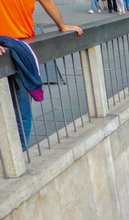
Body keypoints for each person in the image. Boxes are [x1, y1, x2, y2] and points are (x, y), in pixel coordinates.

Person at [0, 0, 82, 149]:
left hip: (18, 50)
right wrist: (61, 26)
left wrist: (62, 26)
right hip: (19, 50)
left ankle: (17, 156)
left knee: (20, 109)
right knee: (22, 109)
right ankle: (19, 156)